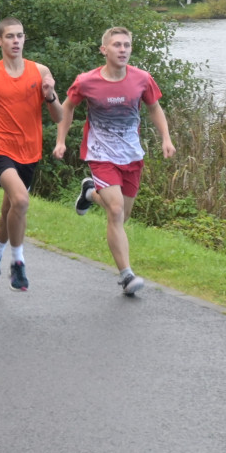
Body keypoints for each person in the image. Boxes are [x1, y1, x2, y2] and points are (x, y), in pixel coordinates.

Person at [52, 26, 176, 296]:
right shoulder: (86, 81)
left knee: (122, 215)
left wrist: (166, 138)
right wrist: (61, 140)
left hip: (131, 155)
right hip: (101, 154)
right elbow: (68, 106)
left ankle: (89, 192)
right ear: (104, 50)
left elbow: (154, 107)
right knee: (117, 210)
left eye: (127, 45)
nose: (123, 50)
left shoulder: (142, 78)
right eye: (117, 45)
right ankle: (126, 275)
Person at [0, 17, 63, 291]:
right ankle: (17, 264)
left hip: (30, 151)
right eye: (10, 36)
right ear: (0, 41)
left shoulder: (40, 72)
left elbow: (59, 117)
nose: (16, 41)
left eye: (20, 36)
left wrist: (51, 94)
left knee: (10, 209)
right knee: (20, 201)